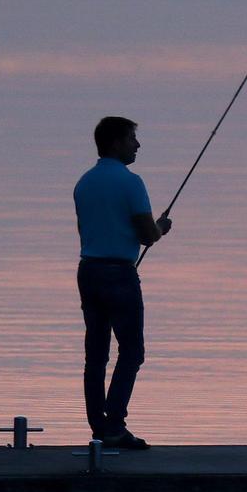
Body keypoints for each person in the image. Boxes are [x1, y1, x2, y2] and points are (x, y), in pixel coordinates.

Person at [74, 116, 171, 450]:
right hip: (119, 273)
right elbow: (147, 234)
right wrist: (160, 228)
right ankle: (114, 425)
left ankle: (99, 428)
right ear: (116, 143)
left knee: (95, 355)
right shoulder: (131, 183)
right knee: (131, 351)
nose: (137, 145)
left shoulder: (84, 183)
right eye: (132, 138)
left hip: (88, 270)